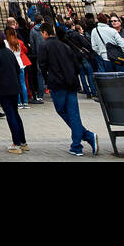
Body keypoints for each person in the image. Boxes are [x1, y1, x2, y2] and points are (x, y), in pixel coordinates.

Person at [36, 22, 98, 156]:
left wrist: (48, 81)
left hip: (57, 83)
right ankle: (77, 145)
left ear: (44, 33)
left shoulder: (44, 46)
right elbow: (76, 64)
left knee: (61, 110)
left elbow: (43, 66)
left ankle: (86, 136)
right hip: (71, 82)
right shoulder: (65, 45)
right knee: (73, 113)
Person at [0, 30, 28, 154]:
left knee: (10, 114)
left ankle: (16, 143)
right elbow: (16, 68)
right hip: (13, 87)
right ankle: (23, 141)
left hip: (2, 89)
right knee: (15, 113)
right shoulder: (8, 52)